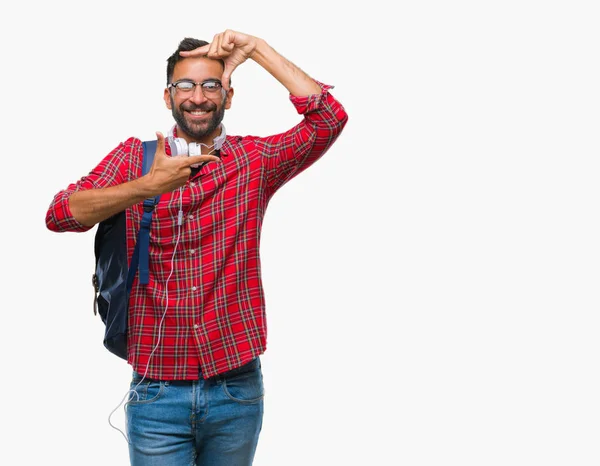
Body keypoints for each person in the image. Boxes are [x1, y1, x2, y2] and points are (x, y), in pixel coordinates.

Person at [45, 29, 348, 465]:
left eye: (211, 85)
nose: (199, 97)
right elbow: (60, 214)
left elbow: (328, 120)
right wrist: (147, 187)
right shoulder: (135, 159)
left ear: (228, 95)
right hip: (156, 394)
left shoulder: (253, 162)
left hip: (235, 390)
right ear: (168, 97)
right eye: (185, 85)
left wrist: (256, 49)